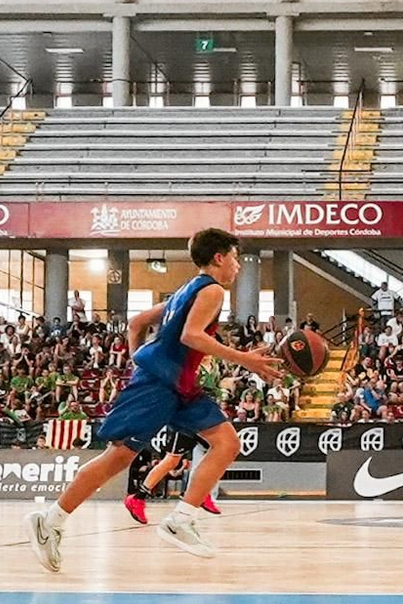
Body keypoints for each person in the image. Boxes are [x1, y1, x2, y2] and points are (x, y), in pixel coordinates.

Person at [24, 229, 295, 570]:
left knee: (226, 442)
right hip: (159, 385)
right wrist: (244, 359)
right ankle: (50, 521)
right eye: (236, 258)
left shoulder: (186, 290)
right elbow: (190, 335)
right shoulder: (211, 290)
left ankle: (181, 519)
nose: (238, 266)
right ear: (219, 258)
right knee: (117, 458)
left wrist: (141, 358)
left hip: (176, 384)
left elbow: (137, 323)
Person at [125, 430, 224, 525]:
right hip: (185, 422)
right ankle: (137, 498)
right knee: (172, 460)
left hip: (202, 420)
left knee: (221, 448)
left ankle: (201, 493)